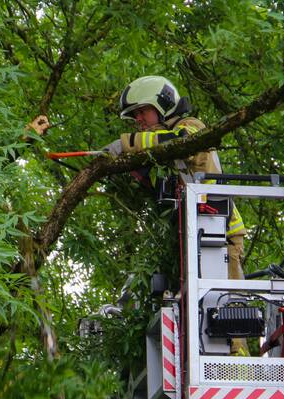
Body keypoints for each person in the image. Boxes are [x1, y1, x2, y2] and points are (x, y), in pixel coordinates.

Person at [103, 76, 247, 283]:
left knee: (227, 303)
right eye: (135, 115)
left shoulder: (191, 126)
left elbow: (178, 142)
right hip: (193, 234)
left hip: (222, 234)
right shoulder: (160, 150)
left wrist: (125, 144)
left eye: (142, 111)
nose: (138, 119)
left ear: (163, 104)